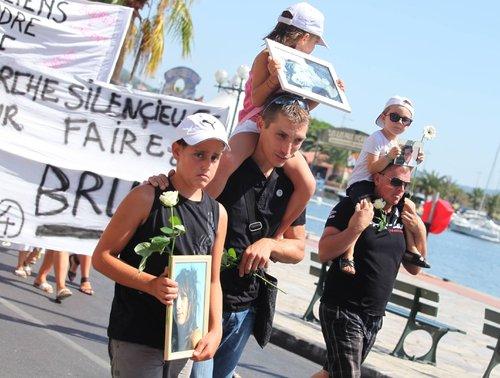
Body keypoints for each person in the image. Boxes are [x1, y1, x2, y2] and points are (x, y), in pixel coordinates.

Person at [148, 94, 310, 378]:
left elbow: (297, 249)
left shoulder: (292, 184)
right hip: (199, 298)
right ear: (260, 124)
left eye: (297, 141)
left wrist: (271, 243)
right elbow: (184, 198)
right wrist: (162, 182)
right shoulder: (226, 166)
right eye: (281, 135)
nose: (287, 149)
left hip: (246, 307)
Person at [92, 113, 229, 378]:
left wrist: (215, 329)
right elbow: (102, 257)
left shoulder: (218, 213)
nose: (208, 165)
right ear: (177, 150)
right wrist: (150, 284)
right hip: (137, 334)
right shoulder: (146, 197)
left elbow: (213, 281)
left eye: (215, 157)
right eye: (199, 154)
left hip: (184, 341)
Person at [207, 2, 338, 241]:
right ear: (304, 37)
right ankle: (200, 214)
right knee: (227, 161)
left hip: (283, 127)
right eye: (314, 43)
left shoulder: (305, 68)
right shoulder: (265, 56)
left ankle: (277, 232)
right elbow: (257, 98)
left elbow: (304, 107)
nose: (313, 49)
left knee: (308, 184)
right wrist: (274, 78)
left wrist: (327, 93)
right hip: (255, 121)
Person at [315, 163, 428, 377]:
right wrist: (356, 227)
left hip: (374, 315)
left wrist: (420, 231)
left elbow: (414, 268)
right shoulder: (352, 206)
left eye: (406, 185)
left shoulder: (401, 215)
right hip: (343, 308)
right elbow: (324, 251)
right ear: (377, 178)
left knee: (331, 374)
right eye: (395, 182)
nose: (400, 189)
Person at [339, 96, 428, 275]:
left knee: (406, 207)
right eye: (395, 117)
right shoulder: (376, 138)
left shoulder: (396, 144)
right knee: (364, 211)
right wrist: (388, 157)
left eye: (405, 120)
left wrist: (415, 159)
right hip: (363, 182)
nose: (399, 122)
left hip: (379, 186)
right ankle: (348, 253)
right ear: (384, 116)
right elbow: (372, 168)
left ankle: (411, 248)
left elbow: (398, 171)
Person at [173, 268, 202, 352]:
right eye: (175, 298)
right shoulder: (172, 337)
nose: (177, 306)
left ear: (192, 301)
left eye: (183, 297)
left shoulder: (196, 337)